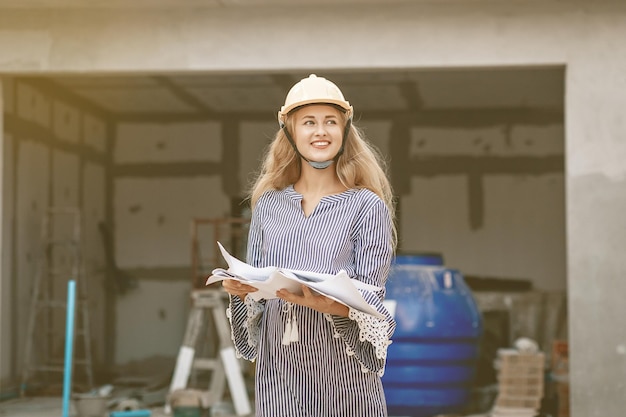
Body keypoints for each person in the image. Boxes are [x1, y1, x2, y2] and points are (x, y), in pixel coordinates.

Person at [222, 74, 397, 417]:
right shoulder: (269, 205)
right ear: (290, 131)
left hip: (343, 379)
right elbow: (257, 289)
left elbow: (372, 300)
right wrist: (242, 290)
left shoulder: (367, 206)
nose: (321, 131)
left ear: (344, 130)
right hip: (281, 373)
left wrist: (333, 306)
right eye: (309, 122)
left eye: (331, 121)